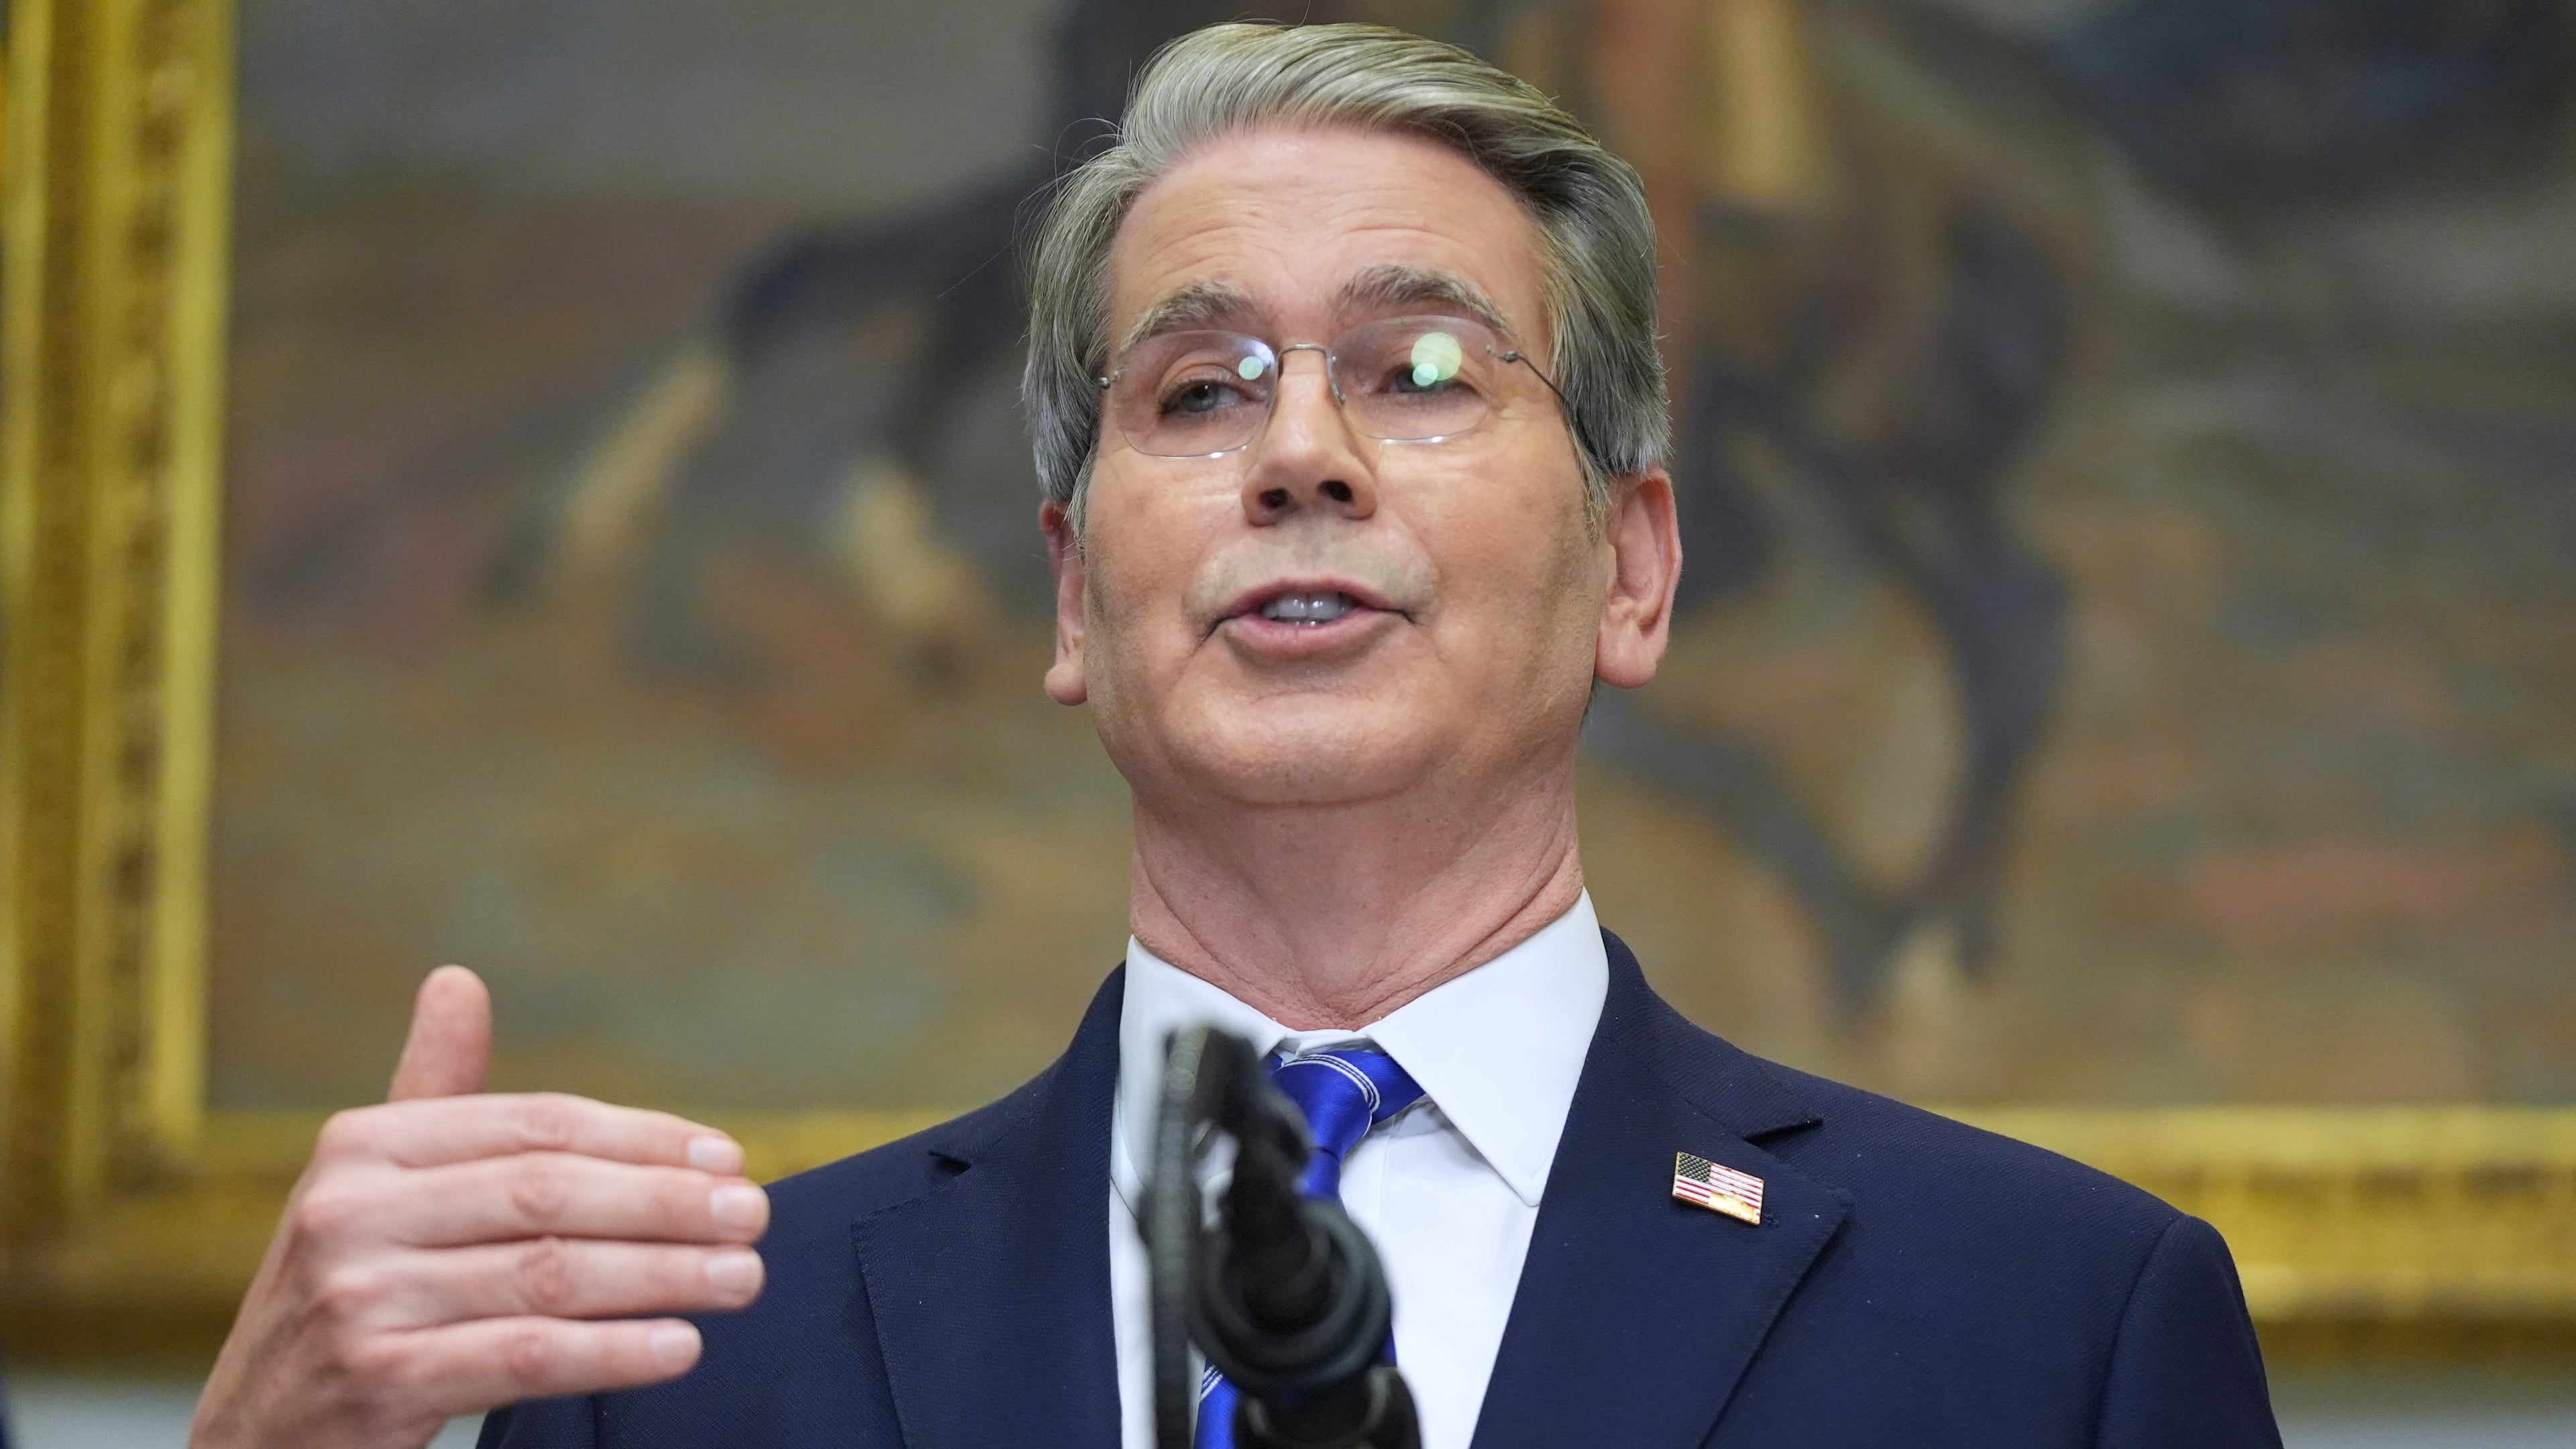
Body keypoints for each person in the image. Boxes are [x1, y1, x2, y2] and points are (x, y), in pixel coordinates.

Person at [190, 23, 2282, 1449]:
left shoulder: (2052, 1330)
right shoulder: (684, 1367)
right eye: (1196, 391)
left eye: (1427, 369)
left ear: (1637, 569)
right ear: (1072, 595)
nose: (1300, 452)